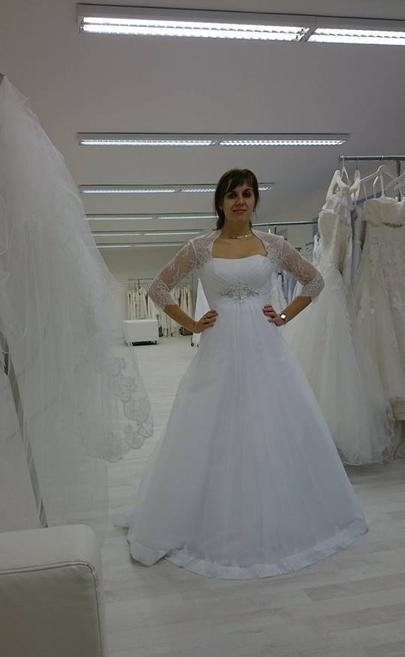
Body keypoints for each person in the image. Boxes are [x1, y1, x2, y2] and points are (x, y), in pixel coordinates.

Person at [123, 168, 367, 579]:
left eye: (247, 194)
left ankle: (278, 506)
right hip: (218, 348)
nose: (240, 201)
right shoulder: (201, 247)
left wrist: (285, 315)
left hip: (264, 346)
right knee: (212, 424)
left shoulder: (273, 245)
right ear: (220, 202)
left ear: (255, 200)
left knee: (270, 421)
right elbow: (159, 288)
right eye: (232, 194)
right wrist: (191, 323)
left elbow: (314, 281)